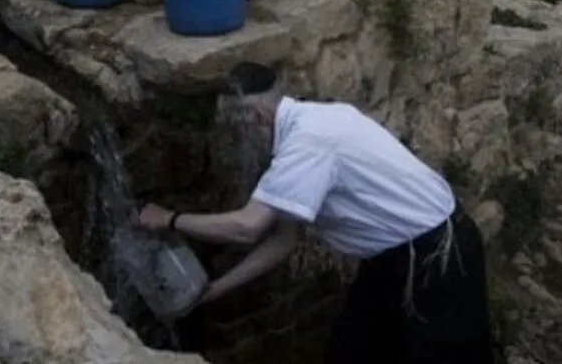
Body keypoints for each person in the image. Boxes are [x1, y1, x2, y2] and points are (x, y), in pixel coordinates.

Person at [136, 62, 494, 364]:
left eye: (236, 132)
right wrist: (216, 289)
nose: (236, 144)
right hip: (394, 258)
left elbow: (248, 228)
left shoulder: (308, 144)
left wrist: (170, 219)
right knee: (352, 349)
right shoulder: (314, 121)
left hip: (438, 260)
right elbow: (283, 240)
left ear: (258, 117)